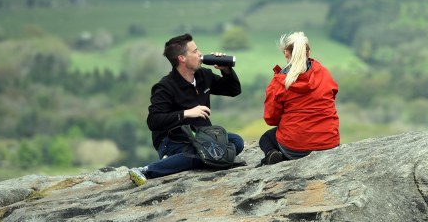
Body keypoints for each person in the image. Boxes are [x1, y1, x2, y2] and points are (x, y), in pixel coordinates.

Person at [130, 33, 244, 186]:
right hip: (171, 139)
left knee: (237, 141)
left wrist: (226, 70)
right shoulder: (165, 87)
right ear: (182, 58)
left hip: (201, 137)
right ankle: (146, 171)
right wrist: (186, 113)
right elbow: (153, 121)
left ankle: (180, 162)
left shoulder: (204, 76)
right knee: (200, 152)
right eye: (195, 51)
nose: (200, 54)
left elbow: (233, 90)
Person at [259, 31, 339, 165]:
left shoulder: (279, 82)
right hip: (329, 143)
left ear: (286, 52)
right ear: (308, 52)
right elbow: (332, 96)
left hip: (295, 148)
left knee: (266, 138)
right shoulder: (324, 73)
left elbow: (271, 118)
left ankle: (274, 155)